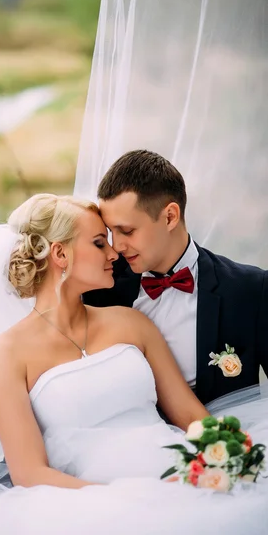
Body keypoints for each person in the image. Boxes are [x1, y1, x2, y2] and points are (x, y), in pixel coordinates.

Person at [0, 193, 268, 535]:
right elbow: (29, 472)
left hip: (182, 473)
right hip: (85, 502)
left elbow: (189, 414)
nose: (114, 252)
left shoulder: (131, 322)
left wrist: (231, 454)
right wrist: (122, 501)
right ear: (59, 254)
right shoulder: (5, 355)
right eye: (99, 243)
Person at [83, 150, 268, 405]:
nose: (117, 246)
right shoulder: (101, 287)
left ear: (170, 217)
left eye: (127, 231)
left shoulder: (250, 290)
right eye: (111, 232)